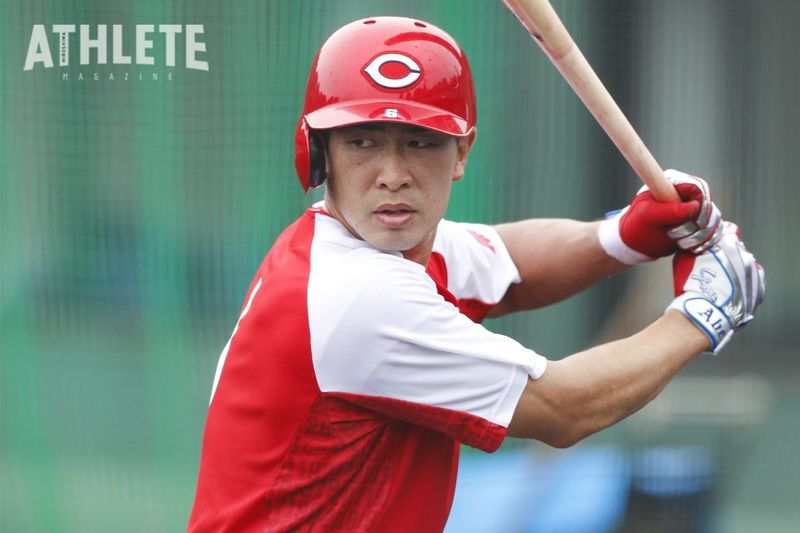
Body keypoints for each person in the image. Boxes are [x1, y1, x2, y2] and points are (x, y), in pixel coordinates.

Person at [187, 16, 764, 532]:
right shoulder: (359, 295)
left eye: (421, 142)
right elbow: (565, 409)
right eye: (363, 142)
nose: (393, 174)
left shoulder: (360, 245)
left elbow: (508, 262)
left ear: (461, 153)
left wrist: (625, 236)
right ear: (320, 153)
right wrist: (703, 311)